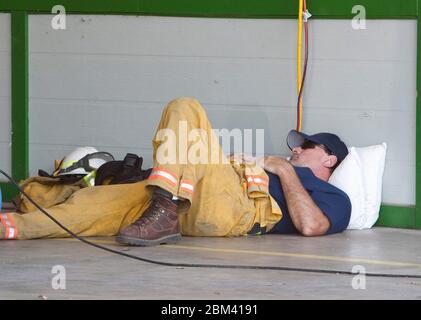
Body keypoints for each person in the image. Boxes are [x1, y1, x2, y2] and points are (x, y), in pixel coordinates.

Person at [0, 98, 351, 244]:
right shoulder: (276, 164)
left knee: (185, 107)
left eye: (306, 146)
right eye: (295, 144)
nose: (296, 149)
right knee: (91, 204)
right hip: (188, 199)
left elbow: (311, 226)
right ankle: (11, 227)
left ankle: (166, 206)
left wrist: (279, 169)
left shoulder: (335, 198)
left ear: (329, 159)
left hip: (237, 208)